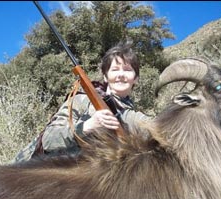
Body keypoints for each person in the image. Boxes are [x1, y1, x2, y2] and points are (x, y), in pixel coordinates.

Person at [13, 42, 149, 162]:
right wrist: (87, 126)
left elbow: (158, 128)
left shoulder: (133, 116)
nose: (120, 75)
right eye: (114, 70)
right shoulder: (82, 100)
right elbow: (49, 140)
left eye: (127, 70)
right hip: (31, 172)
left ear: (136, 78)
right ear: (105, 77)